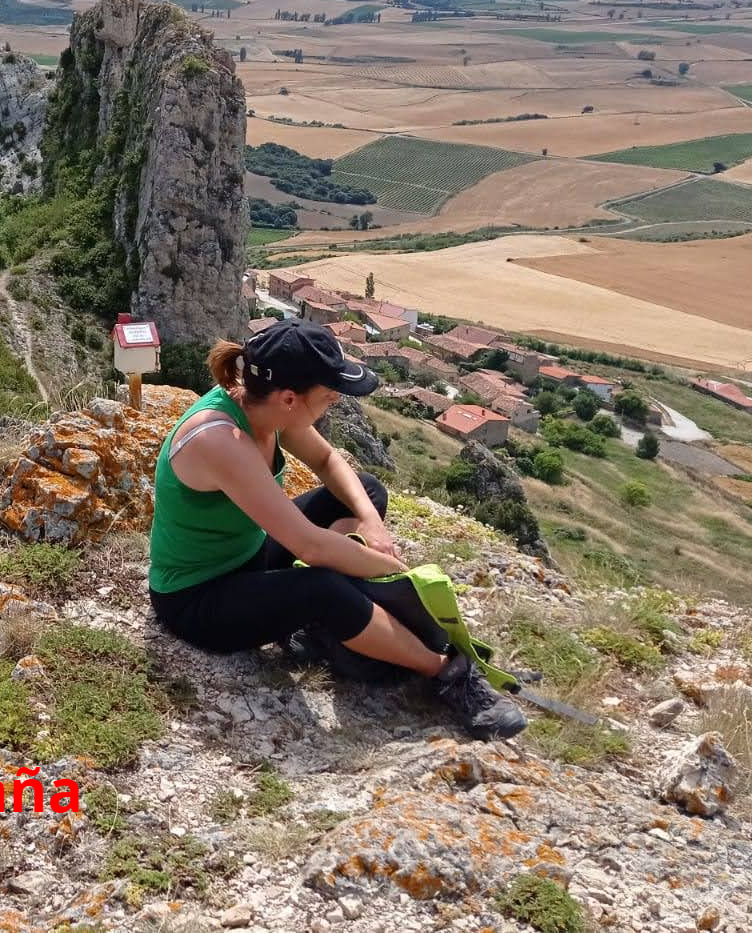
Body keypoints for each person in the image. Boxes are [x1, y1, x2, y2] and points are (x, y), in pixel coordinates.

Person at [148, 317, 526, 740]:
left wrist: (368, 521)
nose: (334, 405)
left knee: (365, 491)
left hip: (246, 556)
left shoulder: (265, 402)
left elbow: (328, 462)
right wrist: (385, 568)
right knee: (322, 586)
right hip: (197, 599)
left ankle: (337, 628)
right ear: (291, 398)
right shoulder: (219, 440)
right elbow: (311, 548)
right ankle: (446, 672)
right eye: (328, 397)